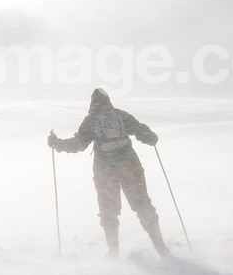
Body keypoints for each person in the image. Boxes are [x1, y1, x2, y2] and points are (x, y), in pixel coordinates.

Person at [48, 88, 170, 258]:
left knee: (108, 211)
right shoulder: (120, 115)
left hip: (105, 170)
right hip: (130, 166)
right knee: (142, 205)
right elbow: (141, 130)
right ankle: (159, 244)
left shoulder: (91, 120)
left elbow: (78, 144)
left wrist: (57, 143)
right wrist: (150, 137)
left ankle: (113, 249)